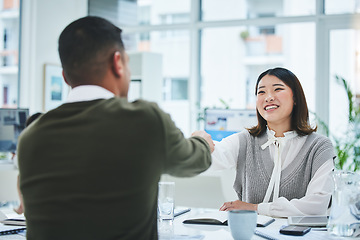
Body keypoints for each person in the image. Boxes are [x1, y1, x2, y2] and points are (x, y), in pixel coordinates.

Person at [17, 16, 213, 240]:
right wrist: (202, 140)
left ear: (64, 77)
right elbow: (195, 161)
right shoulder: (144, 119)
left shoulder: (30, 137)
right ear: (117, 62)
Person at [193, 67, 335, 218]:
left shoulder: (320, 147)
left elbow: (317, 205)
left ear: (295, 98)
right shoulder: (245, 141)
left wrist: (255, 208)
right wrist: (199, 143)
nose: (268, 97)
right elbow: (212, 157)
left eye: (277, 89)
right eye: (261, 92)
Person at [13, 112, 43, 215]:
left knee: (20, 176)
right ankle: (22, 206)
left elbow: (19, 161)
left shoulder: (28, 140)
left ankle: (22, 206)